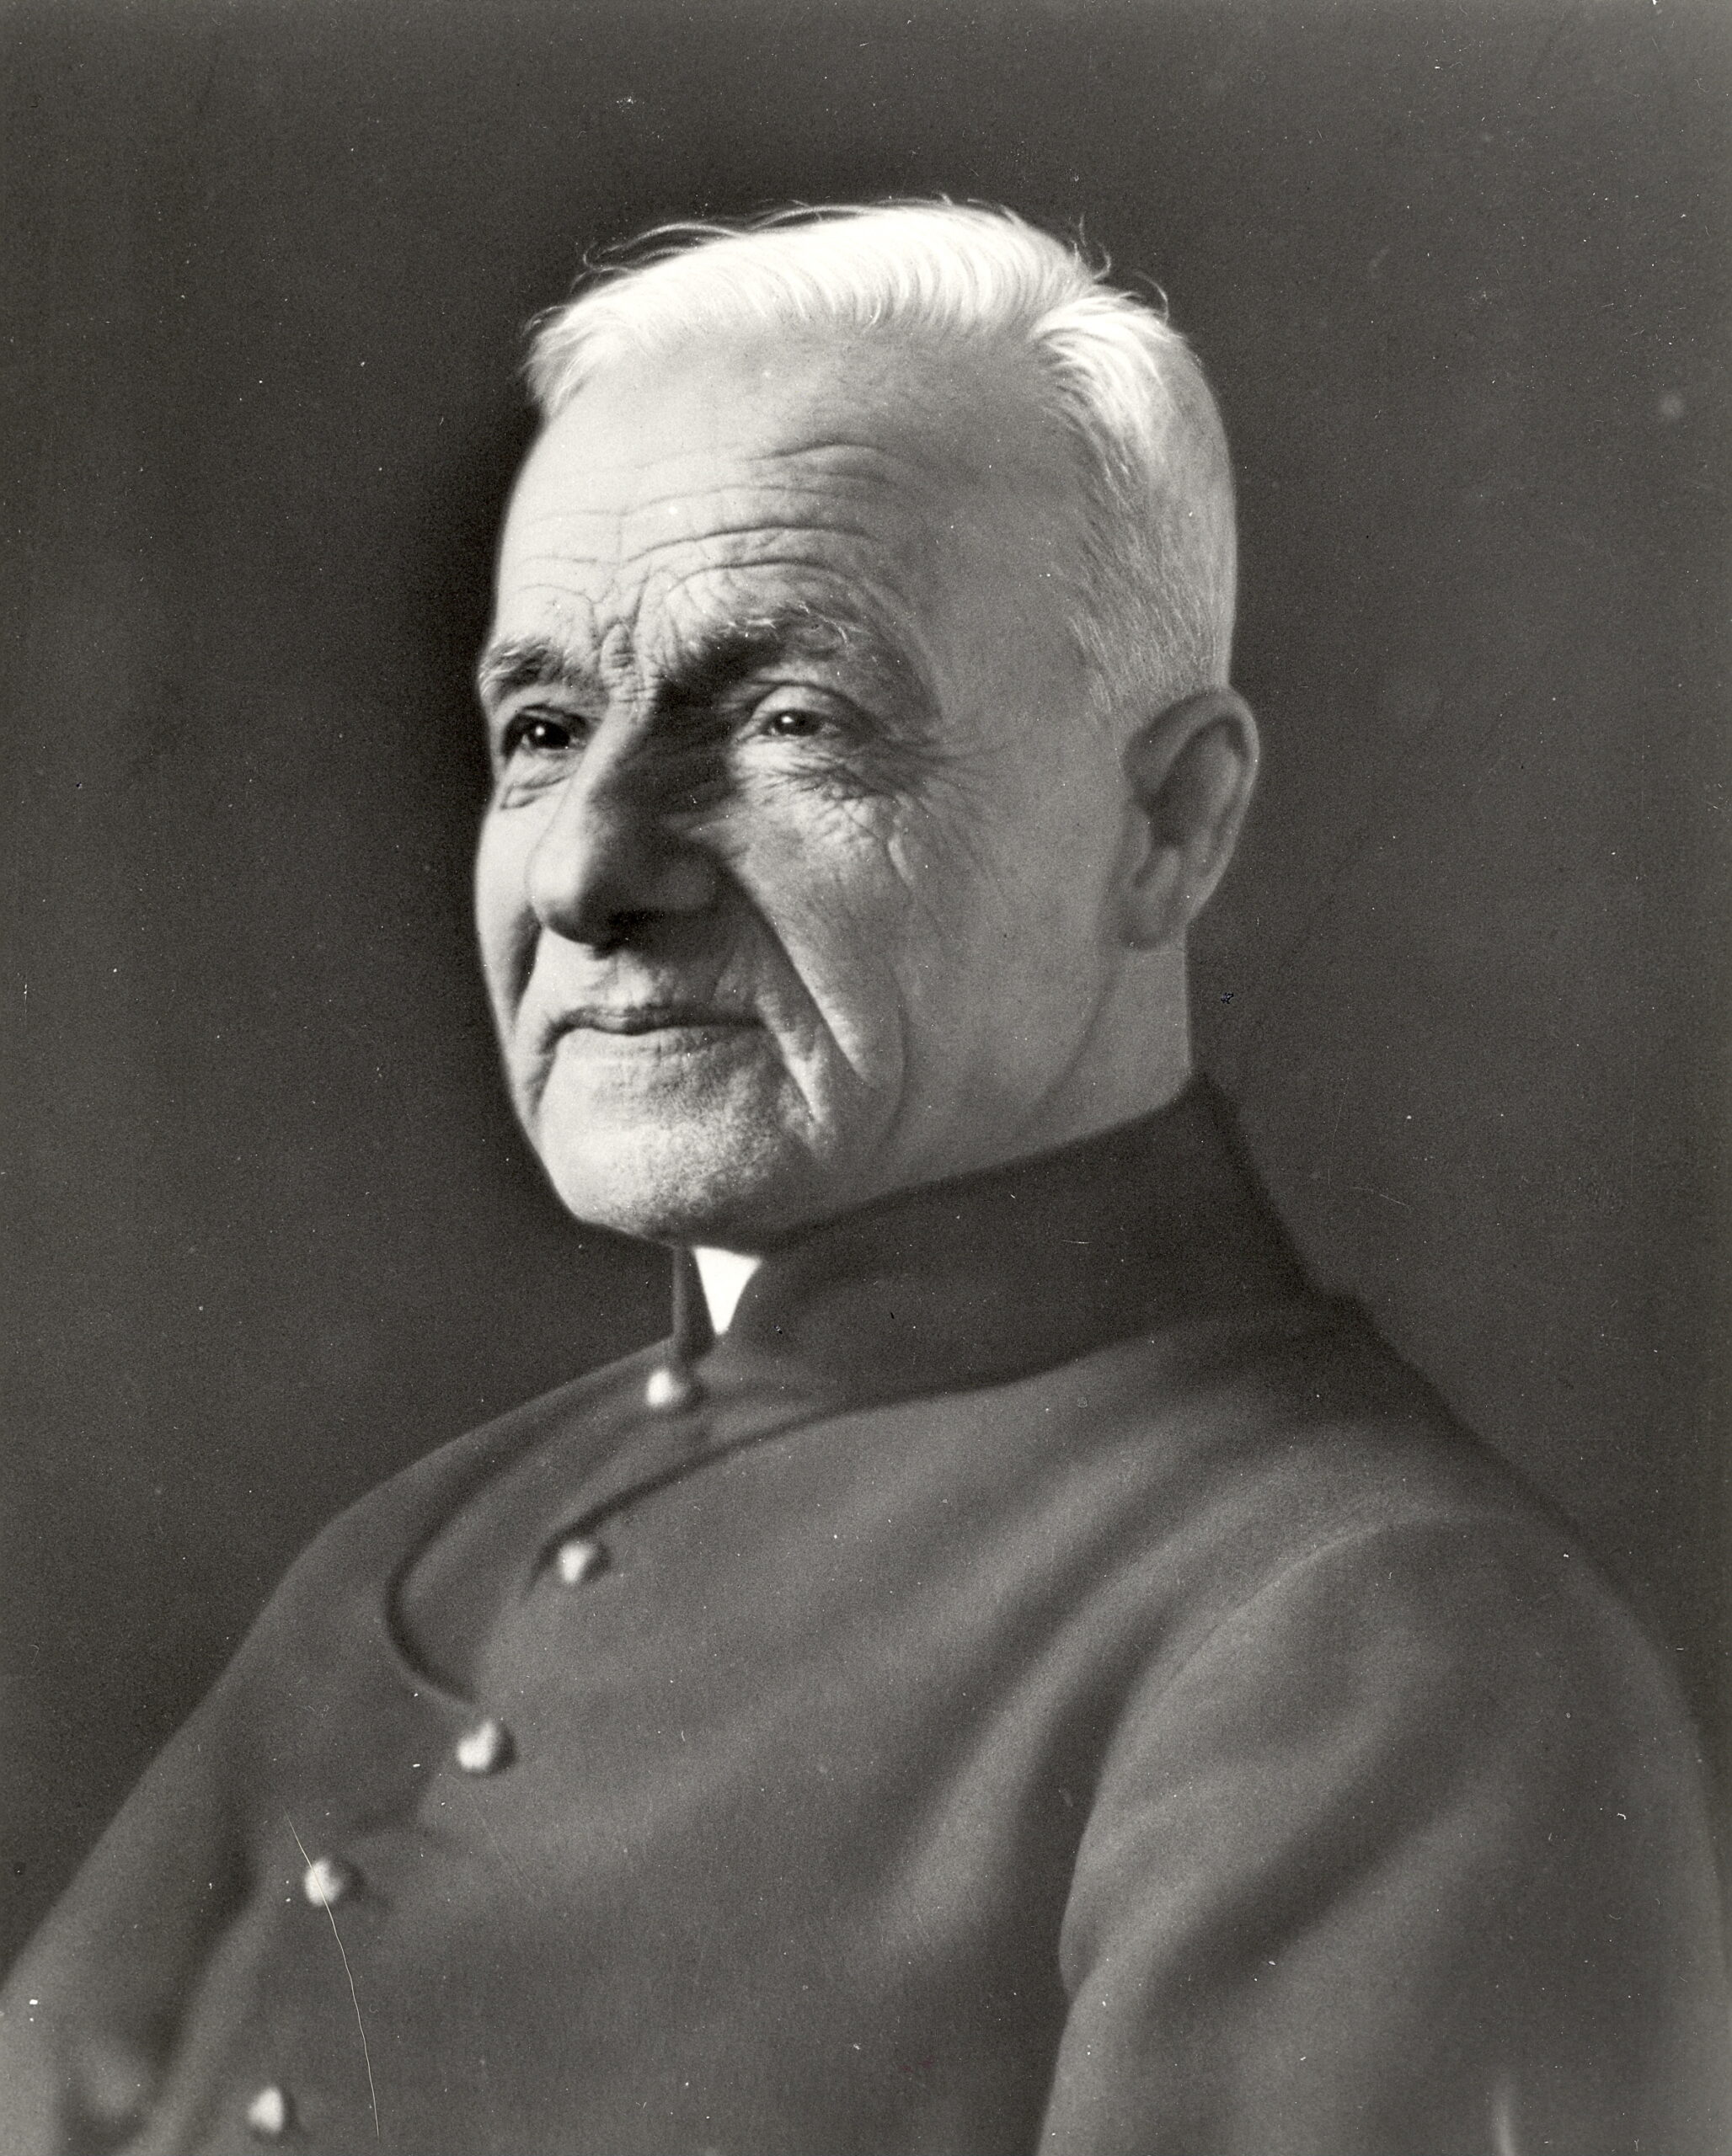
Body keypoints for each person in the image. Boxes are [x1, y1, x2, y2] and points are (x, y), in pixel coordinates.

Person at [1, 202, 1724, 2155]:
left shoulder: (1370, 1646)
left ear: (1168, 825)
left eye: (791, 720)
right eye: (543, 729)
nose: (584, 869)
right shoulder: (428, 1540)